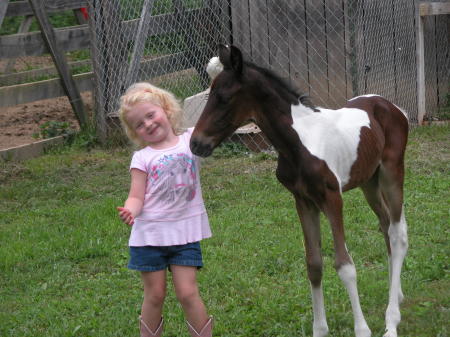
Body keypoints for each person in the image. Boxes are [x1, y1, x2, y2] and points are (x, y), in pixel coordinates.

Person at [117, 82, 213, 337]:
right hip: (150, 237)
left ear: (167, 109)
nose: (147, 124)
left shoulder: (191, 139)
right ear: (135, 132)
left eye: (151, 115)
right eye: (139, 124)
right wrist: (130, 210)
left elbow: (214, 115)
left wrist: (216, 87)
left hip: (185, 234)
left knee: (188, 293)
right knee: (155, 295)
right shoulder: (142, 157)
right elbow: (136, 195)